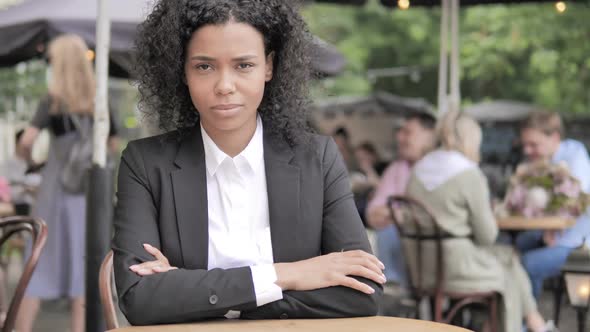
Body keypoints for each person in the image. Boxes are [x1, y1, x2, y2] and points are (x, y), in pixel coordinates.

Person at [112, 0, 383, 325]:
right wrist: (289, 275)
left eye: (243, 66)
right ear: (182, 69)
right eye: (204, 66)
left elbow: (363, 289)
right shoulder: (145, 164)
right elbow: (140, 298)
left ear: (268, 66)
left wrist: (202, 294)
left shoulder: (318, 159)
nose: (224, 86)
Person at [405, 110, 554, 332]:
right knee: (510, 270)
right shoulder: (468, 174)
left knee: (509, 259)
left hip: (422, 269)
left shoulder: (418, 169)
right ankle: (525, 327)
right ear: (471, 139)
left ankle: (534, 324)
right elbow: (488, 236)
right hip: (456, 269)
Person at [15, 34, 119, 332]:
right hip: (87, 194)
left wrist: (29, 159)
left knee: (38, 263)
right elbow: (111, 145)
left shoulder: (53, 100)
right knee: (82, 265)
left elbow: (27, 140)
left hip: (54, 190)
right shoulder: (99, 99)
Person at [516, 111, 590, 299]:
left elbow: (574, 202)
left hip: (579, 244)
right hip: (553, 236)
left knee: (526, 264)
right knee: (510, 248)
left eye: (533, 144)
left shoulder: (574, 156)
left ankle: (525, 325)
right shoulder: (542, 160)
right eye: (525, 145)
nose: (527, 150)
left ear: (554, 137)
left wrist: (551, 227)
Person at [365, 113, 436, 284]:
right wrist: (404, 215)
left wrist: (397, 215)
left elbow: (435, 215)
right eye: (400, 132)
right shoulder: (397, 169)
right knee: (386, 232)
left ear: (429, 136)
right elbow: (372, 215)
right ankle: (395, 292)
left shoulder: (441, 169)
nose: (399, 137)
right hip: (408, 251)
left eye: (407, 132)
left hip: (436, 252)